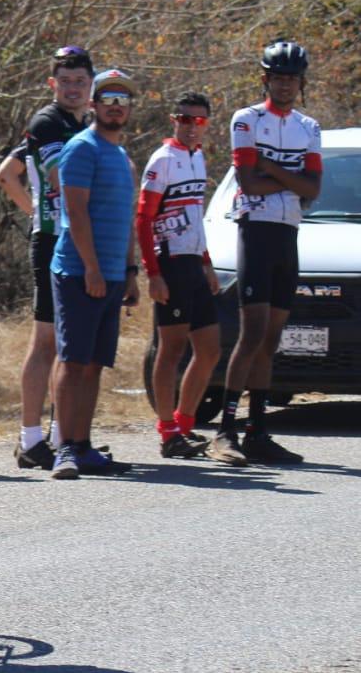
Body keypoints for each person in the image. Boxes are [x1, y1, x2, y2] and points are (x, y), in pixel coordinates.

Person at [210, 39, 322, 465]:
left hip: (287, 234)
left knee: (272, 339)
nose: (285, 85)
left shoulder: (309, 128)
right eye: (278, 77)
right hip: (254, 230)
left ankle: (258, 430)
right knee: (251, 333)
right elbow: (249, 182)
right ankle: (225, 430)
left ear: (300, 82)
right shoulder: (246, 119)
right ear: (266, 79)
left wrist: (270, 168)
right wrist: (287, 174)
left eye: (292, 78)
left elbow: (313, 189)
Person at [49, 68, 141, 480]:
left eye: (122, 100)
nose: (115, 106)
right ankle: (64, 449)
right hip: (77, 272)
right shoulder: (81, 149)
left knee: (94, 365)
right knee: (73, 360)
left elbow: (126, 221)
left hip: (112, 276)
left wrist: (131, 271)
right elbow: (75, 213)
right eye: (108, 98)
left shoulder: (122, 157)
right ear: (93, 104)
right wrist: (90, 268)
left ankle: (83, 445)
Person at [6, 45, 94, 470]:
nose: (73, 88)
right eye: (66, 81)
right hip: (54, 240)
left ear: (91, 85)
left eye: (81, 81)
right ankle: (30, 438)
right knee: (45, 341)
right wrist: (37, 212)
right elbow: (65, 176)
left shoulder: (86, 123)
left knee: (68, 342)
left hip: (79, 239)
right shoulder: (47, 121)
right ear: (52, 84)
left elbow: (7, 173)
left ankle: (63, 438)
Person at [136, 93, 232, 461]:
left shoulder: (198, 158)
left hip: (193, 263)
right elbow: (144, 219)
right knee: (172, 349)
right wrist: (153, 274)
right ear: (174, 120)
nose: (192, 127)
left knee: (209, 350)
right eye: (186, 119)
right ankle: (166, 432)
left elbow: (194, 217)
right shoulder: (162, 161)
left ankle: (184, 425)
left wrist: (207, 264)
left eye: (200, 121)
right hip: (170, 264)